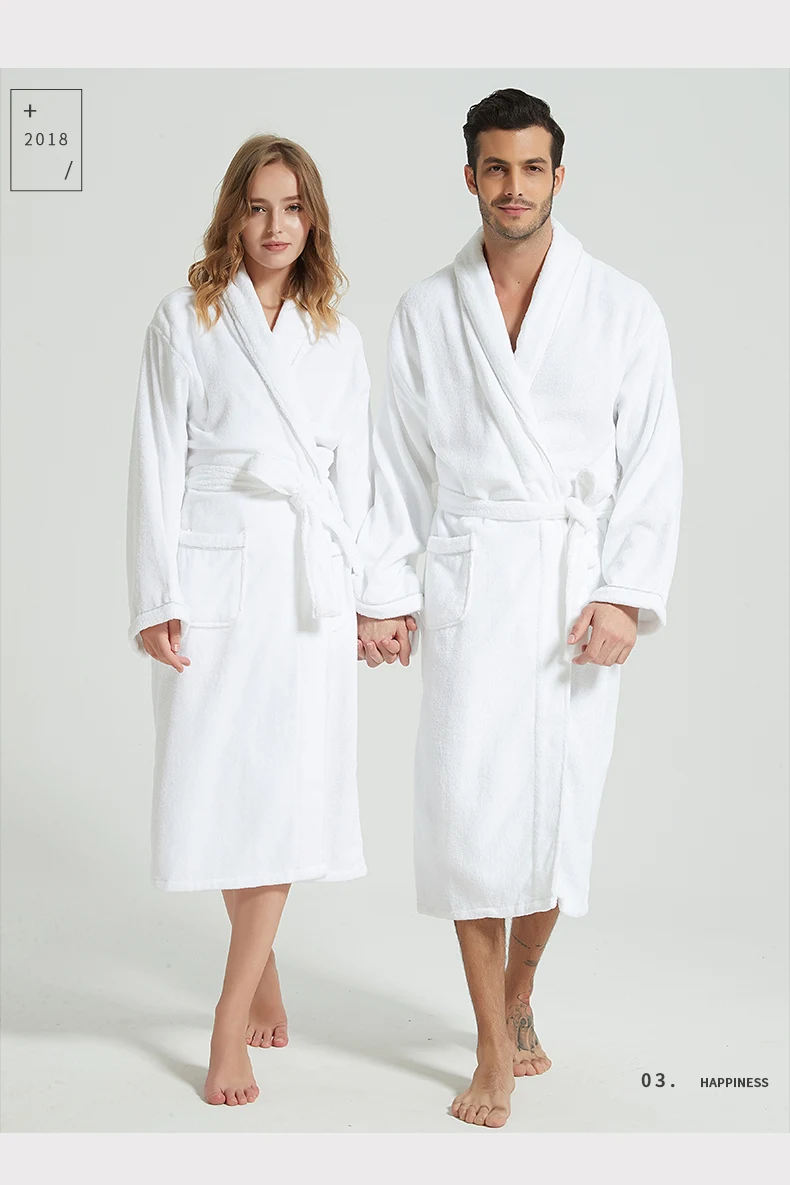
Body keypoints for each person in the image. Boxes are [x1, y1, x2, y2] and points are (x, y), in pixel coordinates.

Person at [355, 89, 682, 1128]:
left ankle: (519, 987)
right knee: (465, 814)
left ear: (557, 175)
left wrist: (623, 594)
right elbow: (396, 466)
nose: (512, 187)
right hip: (471, 577)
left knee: (555, 813)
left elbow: (653, 463)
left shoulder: (622, 307)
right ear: (469, 177)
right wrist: (386, 592)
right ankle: (490, 1045)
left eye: (531, 167)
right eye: (494, 167)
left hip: (570, 591)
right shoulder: (426, 310)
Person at [126, 134, 373, 1106]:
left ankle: (226, 1019)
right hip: (216, 571)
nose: (276, 226)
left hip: (306, 588)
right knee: (221, 780)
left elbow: (358, 478)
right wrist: (157, 596)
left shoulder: (336, 338)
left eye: (293, 208)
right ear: (233, 214)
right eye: (259, 206)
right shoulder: (184, 319)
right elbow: (156, 459)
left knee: (282, 791)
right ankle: (261, 969)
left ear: (314, 221)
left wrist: (372, 596)